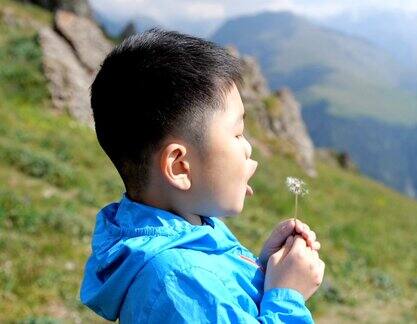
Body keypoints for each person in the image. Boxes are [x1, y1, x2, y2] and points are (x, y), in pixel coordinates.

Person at [80, 28, 324, 323]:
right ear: (180, 166)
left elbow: (225, 301)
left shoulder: (188, 229)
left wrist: (262, 271)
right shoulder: (179, 280)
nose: (247, 149)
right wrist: (288, 296)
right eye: (237, 133)